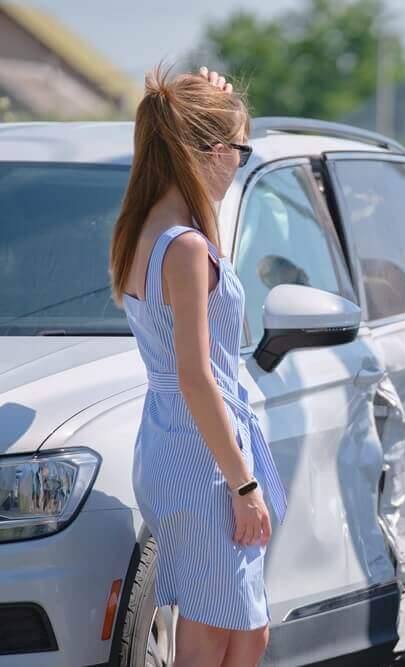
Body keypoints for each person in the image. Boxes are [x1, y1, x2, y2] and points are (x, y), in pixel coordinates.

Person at [109, 66, 287, 667]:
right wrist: (243, 484)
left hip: (179, 441)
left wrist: (218, 99)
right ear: (212, 152)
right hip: (200, 454)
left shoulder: (147, 231)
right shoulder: (182, 246)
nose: (242, 162)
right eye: (241, 148)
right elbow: (195, 376)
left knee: (242, 633)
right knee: (216, 637)